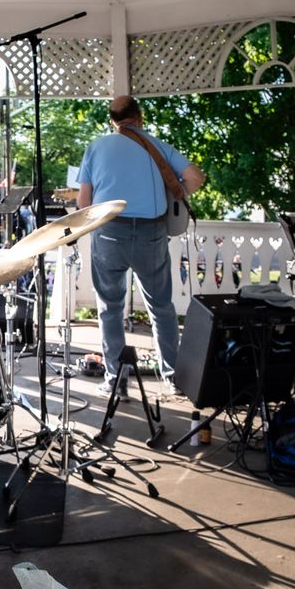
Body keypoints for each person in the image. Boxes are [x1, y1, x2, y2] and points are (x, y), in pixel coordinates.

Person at [76, 95, 206, 394]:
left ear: (112, 121)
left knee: (110, 307)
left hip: (109, 232)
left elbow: (84, 202)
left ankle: (116, 380)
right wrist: (174, 195)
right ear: (140, 117)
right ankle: (173, 377)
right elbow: (195, 177)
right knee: (161, 307)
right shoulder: (157, 146)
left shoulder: (96, 146)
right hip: (151, 232)